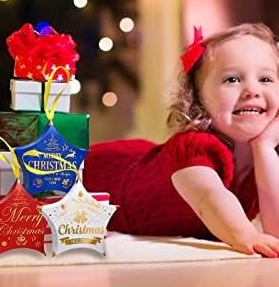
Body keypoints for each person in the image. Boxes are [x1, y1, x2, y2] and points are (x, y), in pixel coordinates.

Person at [83, 22, 279, 258]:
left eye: (265, 79)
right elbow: (209, 197)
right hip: (113, 177)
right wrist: (246, 235)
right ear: (198, 99)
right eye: (232, 79)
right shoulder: (191, 147)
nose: (252, 90)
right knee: (45, 188)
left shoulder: (265, 155)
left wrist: (264, 147)